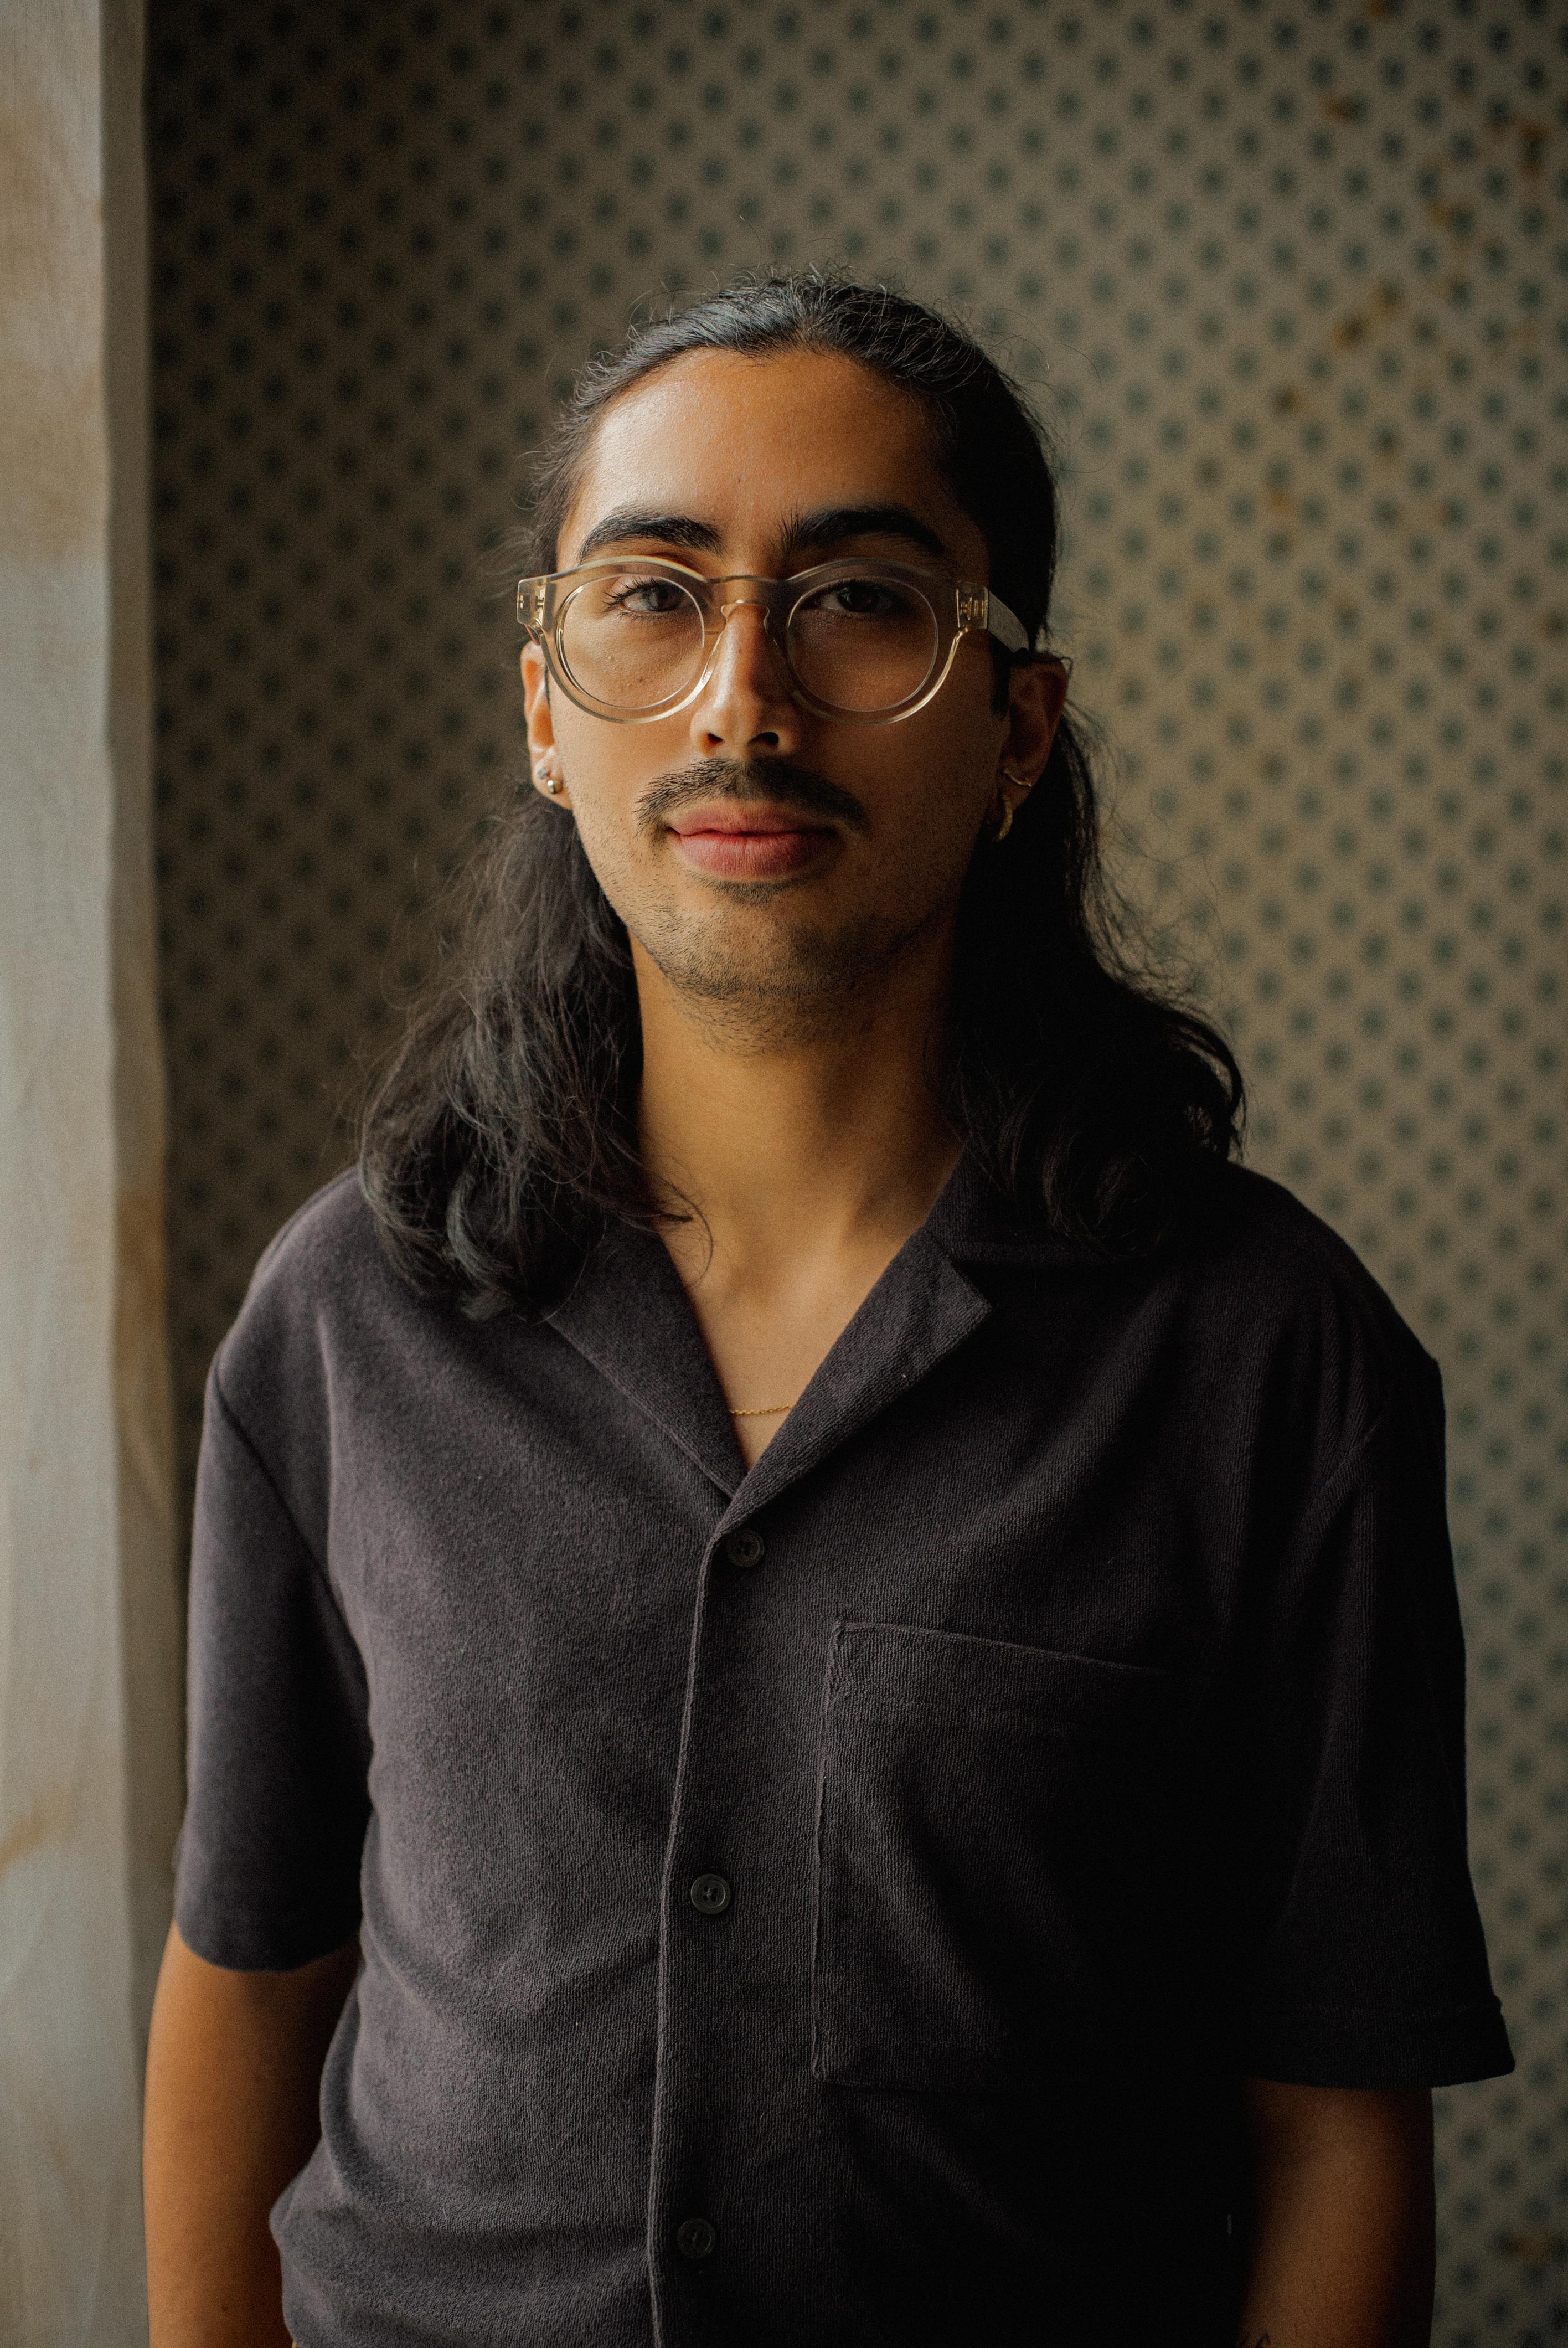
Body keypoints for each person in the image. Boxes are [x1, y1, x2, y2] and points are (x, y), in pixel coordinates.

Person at [143, 273, 1511, 2348]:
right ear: (544, 707)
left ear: (1016, 730)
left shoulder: (1266, 1360)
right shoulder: (352, 1313)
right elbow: (247, 1979)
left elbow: (1335, 2125)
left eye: (861, 600)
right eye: (656, 598)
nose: (741, 702)